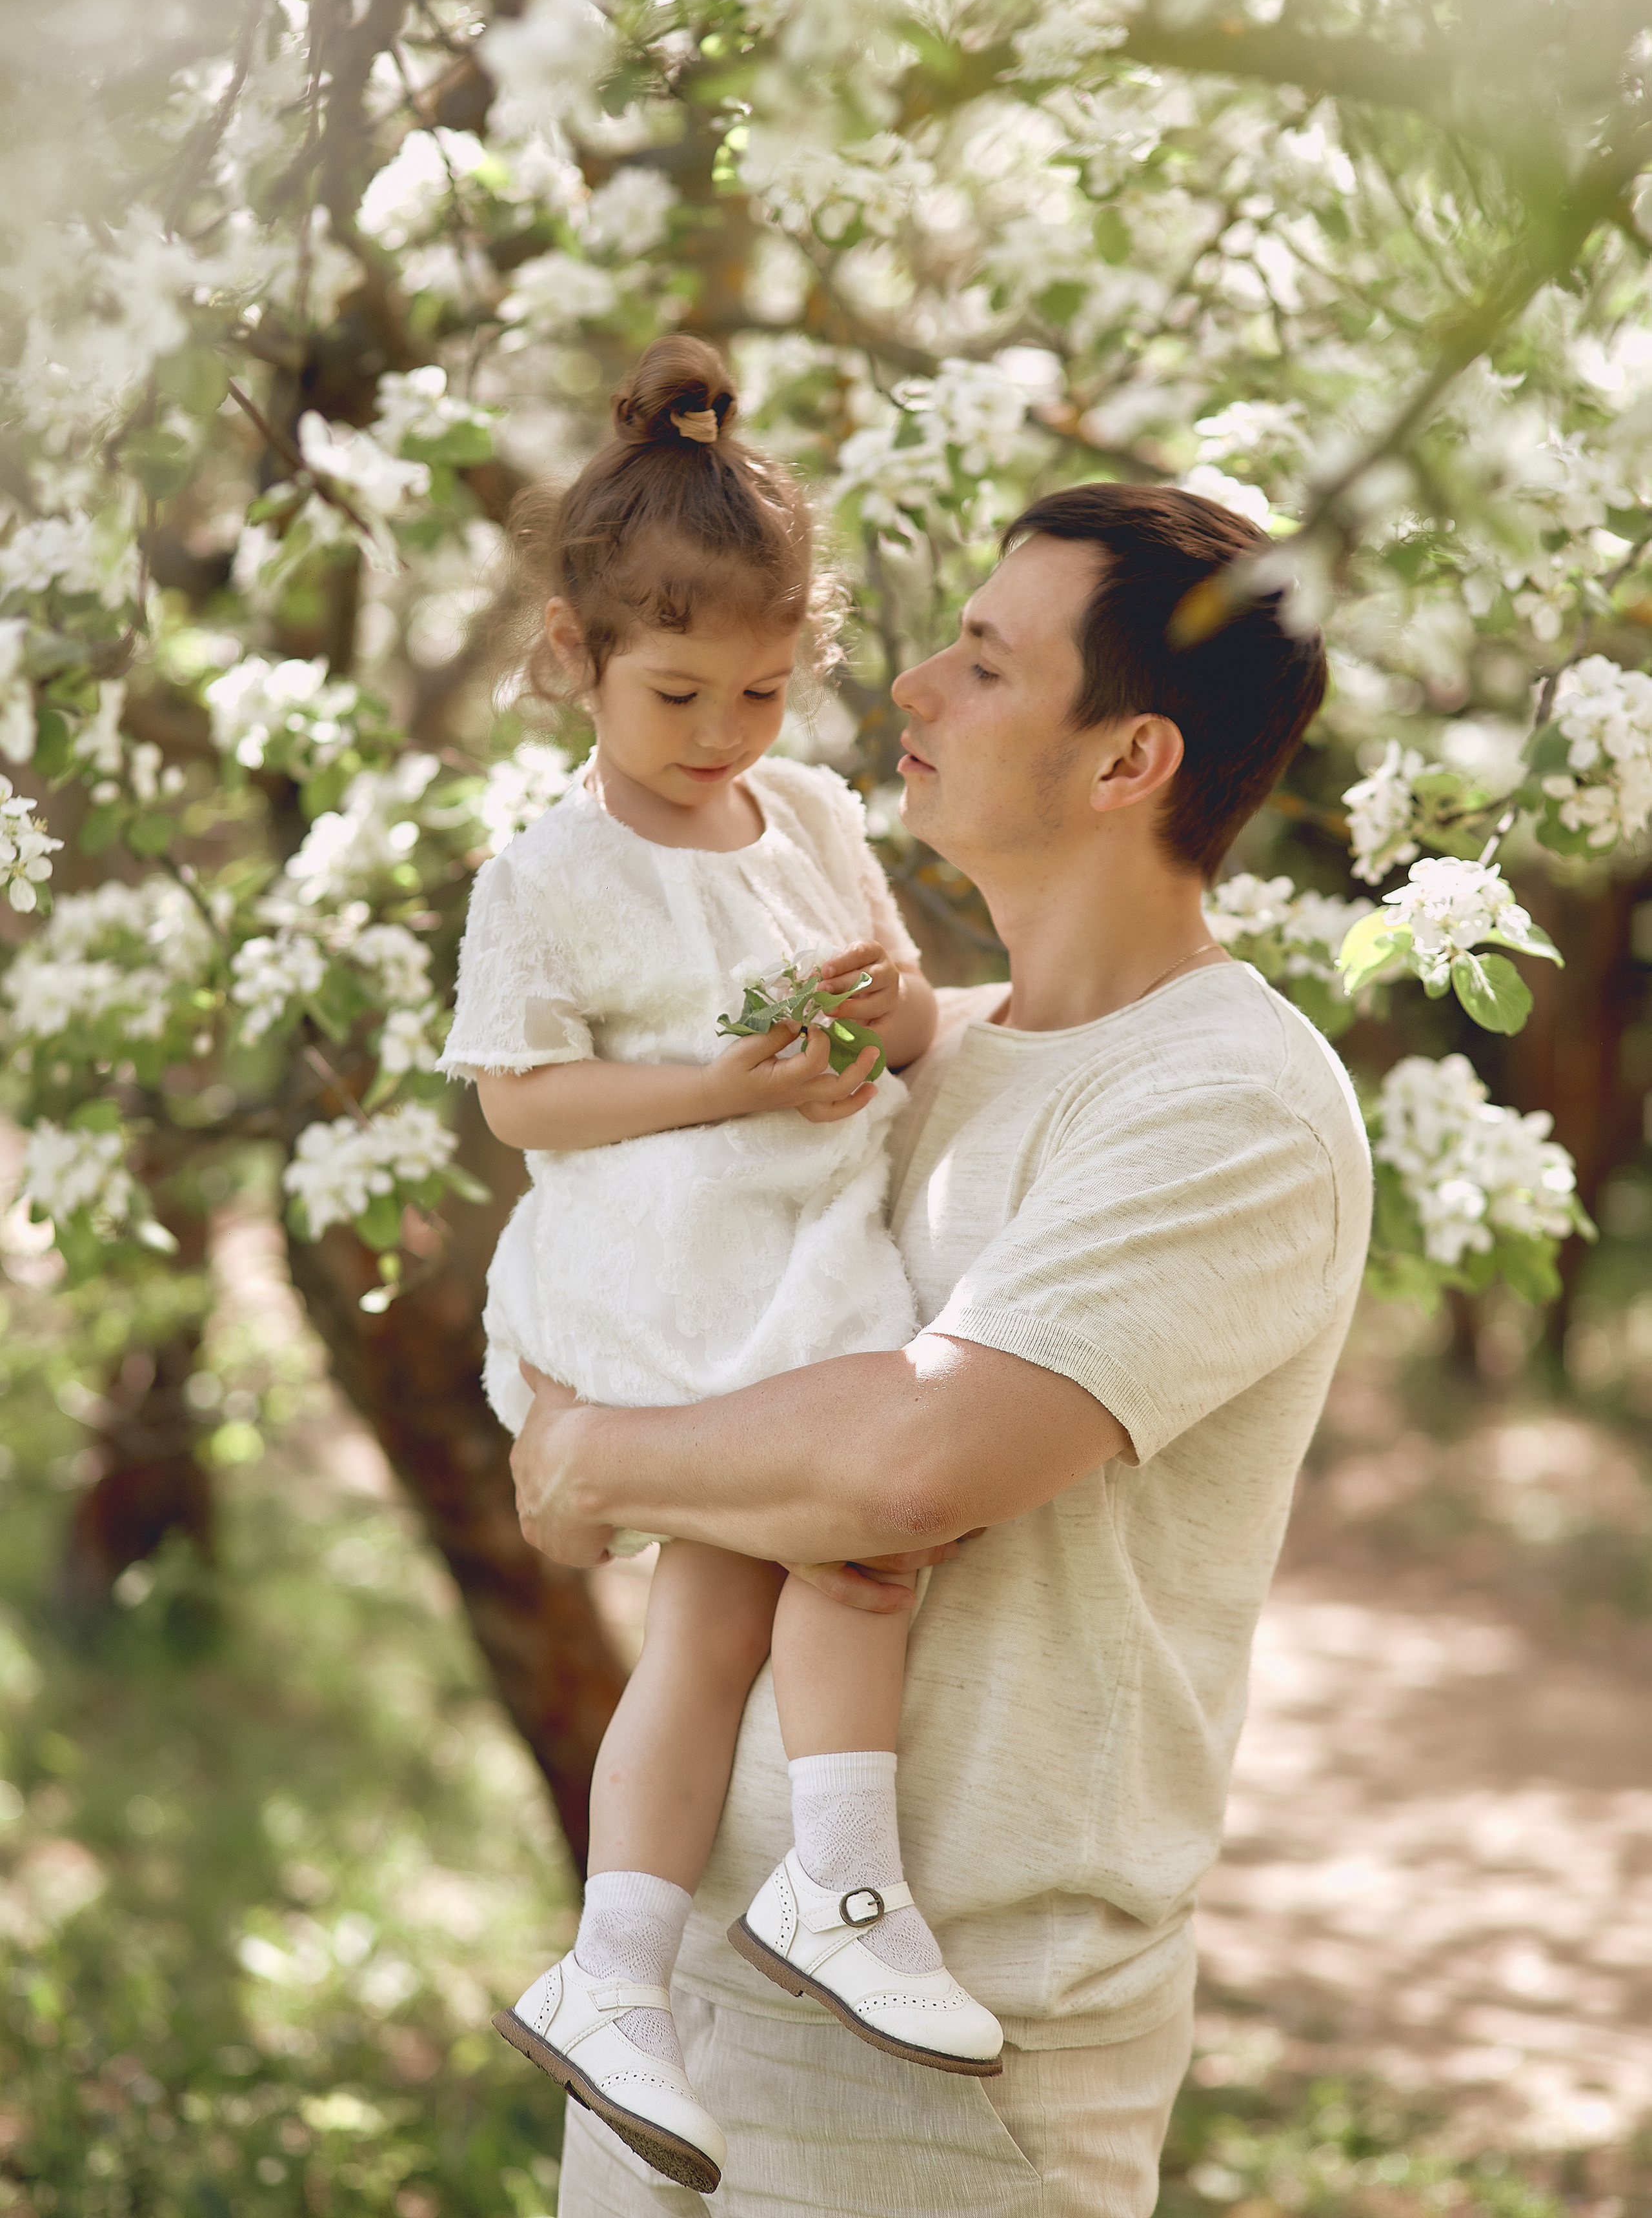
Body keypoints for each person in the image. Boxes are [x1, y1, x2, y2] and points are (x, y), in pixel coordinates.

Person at [509, 480, 1375, 2218]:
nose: (907, 687)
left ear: (1129, 762)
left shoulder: (1230, 1105)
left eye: (982, 664)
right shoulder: (922, 1053)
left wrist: (599, 1455)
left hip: (942, 2083)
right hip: (675, 2010)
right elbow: (622, 1306)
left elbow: (910, 1463)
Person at [440, 336, 1004, 2199]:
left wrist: (884, 1014)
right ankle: (646, 1959)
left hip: (815, 1240)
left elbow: (903, 1002)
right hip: (671, 1264)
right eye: (680, 691)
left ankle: (774, 1912)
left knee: (850, 1565)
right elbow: (521, 1103)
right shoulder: (547, 871)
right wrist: (723, 1079)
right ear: (575, 655)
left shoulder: (819, 814)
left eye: (763, 690)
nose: (723, 734)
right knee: (730, 1599)